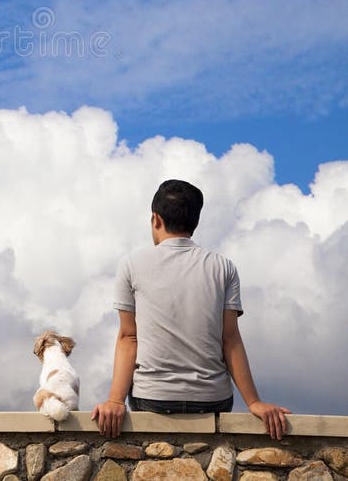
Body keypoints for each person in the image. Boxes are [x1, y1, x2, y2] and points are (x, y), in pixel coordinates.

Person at [92, 179, 290, 439]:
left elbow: (129, 337)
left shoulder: (131, 265)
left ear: (155, 219)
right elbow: (230, 339)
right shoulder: (224, 267)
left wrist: (115, 401)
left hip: (153, 399)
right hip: (212, 401)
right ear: (195, 224)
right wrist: (254, 402)